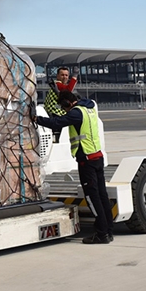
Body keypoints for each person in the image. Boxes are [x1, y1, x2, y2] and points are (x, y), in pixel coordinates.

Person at [36, 91, 113, 244]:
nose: (64, 110)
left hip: (87, 161)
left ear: (67, 103)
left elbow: (56, 123)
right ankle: (108, 230)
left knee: (92, 197)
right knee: (102, 196)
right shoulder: (89, 109)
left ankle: (101, 233)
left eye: (63, 107)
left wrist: (36, 119)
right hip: (97, 157)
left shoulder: (76, 113)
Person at [43, 67, 77, 142]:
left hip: (55, 112)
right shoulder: (57, 84)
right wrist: (74, 77)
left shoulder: (56, 86)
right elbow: (68, 90)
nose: (64, 77)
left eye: (66, 75)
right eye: (62, 75)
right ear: (57, 76)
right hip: (55, 113)